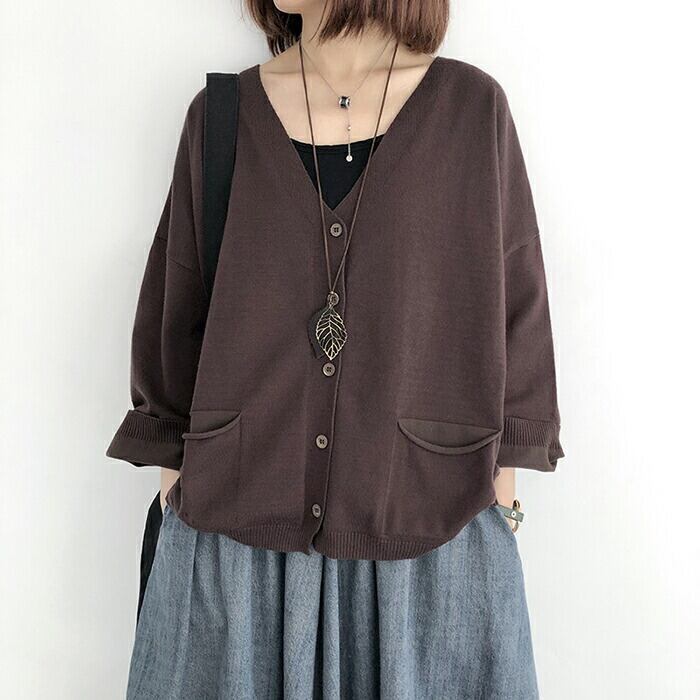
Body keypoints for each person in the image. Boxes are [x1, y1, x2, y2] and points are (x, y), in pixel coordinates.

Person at [107, 1, 564, 697]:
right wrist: (174, 478)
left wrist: (504, 493)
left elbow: (515, 299)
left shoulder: (473, 111)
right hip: (236, 538)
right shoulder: (222, 117)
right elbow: (179, 304)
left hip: (427, 532)